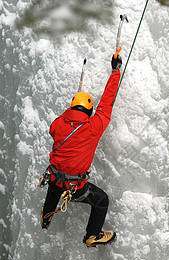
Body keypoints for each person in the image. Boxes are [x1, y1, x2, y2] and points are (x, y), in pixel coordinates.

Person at [40, 53, 122, 247]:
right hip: (75, 188)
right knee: (101, 200)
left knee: (54, 187)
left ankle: (46, 217)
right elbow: (106, 104)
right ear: (89, 113)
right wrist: (115, 71)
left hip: (54, 178)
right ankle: (92, 235)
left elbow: (56, 127)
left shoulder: (58, 124)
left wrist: (71, 112)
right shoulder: (93, 127)